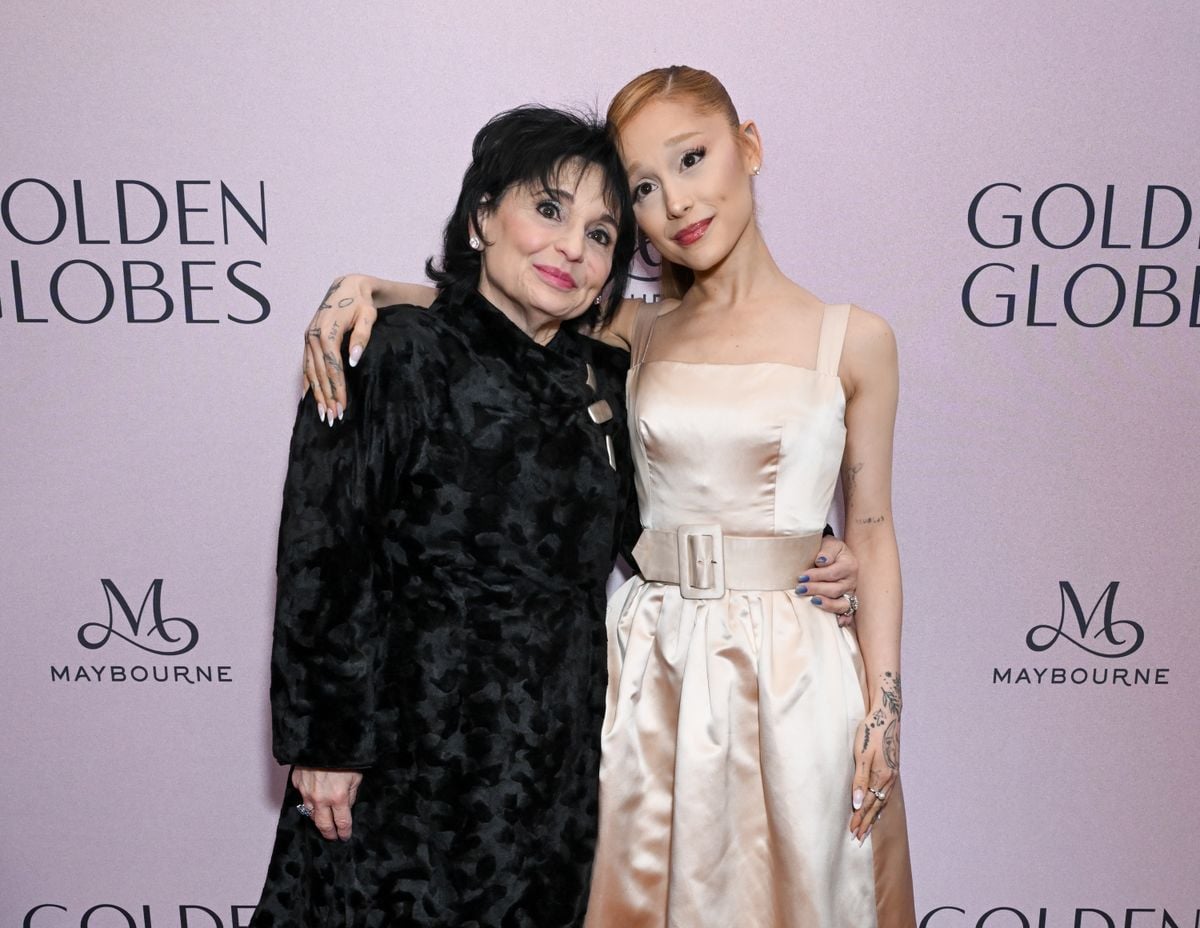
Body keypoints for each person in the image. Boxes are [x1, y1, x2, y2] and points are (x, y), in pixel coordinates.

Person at [300, 65, 907, 927]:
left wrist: (885, 710)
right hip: (651, 665)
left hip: (796, 674)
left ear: (751, 147)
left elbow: (874, 534)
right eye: (647, 188)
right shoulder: (635, 328)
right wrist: (366, 288)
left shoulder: (858, 339)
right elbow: (498, 306)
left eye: (693, 159)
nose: (678, 205)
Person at [252, 106, 643, 928]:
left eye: (602, 234)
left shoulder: (602, 383)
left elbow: (669, 520)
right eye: (548, 210)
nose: (574, 246)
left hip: (553, 769)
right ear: (481, 216)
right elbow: (326, 545)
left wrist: (809, 551)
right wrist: (324, 745)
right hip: (404, 761)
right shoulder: (398, 350)